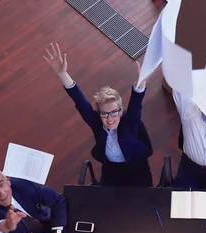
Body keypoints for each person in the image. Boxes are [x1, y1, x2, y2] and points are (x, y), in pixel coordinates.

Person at [44, 43, 153, 187]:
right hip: (112, 171)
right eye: (104, 114)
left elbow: (135, 104)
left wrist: (141, 84)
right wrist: (63, 75)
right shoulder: (96, 122)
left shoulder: (129, 121)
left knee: (141, 202)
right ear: (99, 113)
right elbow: (81, 103)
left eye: (114, 113)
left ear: (120, 111)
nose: (109, 119)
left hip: (136, 168)